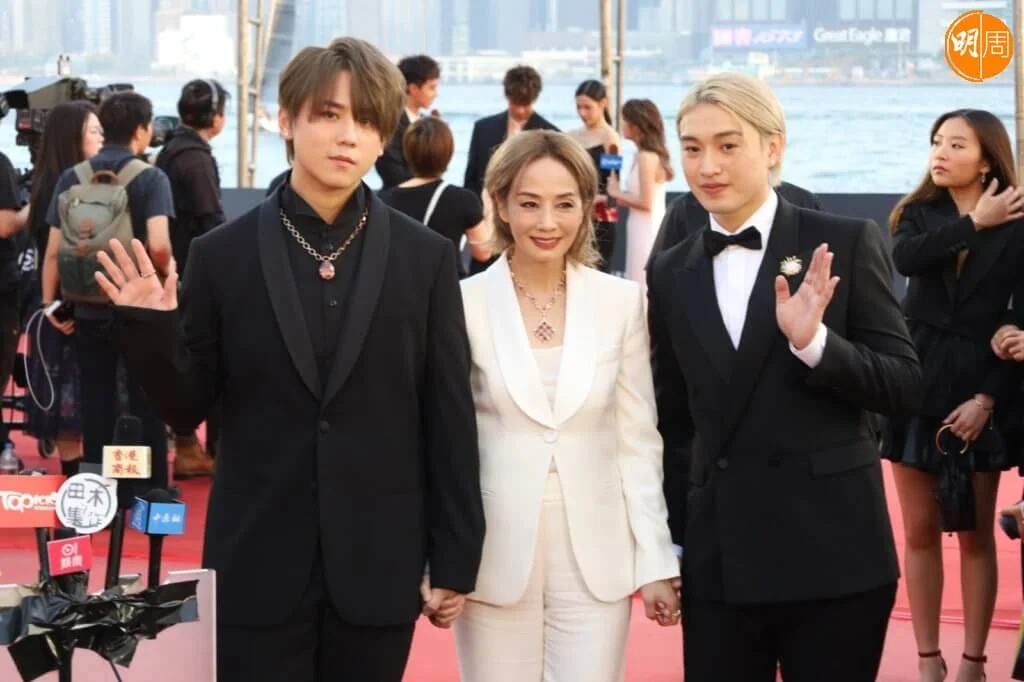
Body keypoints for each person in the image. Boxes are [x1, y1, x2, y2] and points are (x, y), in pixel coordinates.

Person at [93, 38, 485, 682]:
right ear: (286, 119)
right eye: (329, 114)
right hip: (256, 560)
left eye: (367, 121)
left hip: (379, 563)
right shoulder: (222, 255)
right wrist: (150, 328)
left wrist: (456, 557)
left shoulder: (426, 258)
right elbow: (188, 408)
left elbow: (449, 415)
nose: (348, 136)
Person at [647, 72, 922, 681]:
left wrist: (815, 344)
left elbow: (904, 386)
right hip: (720, 560)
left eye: (727, 145)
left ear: (773, 147)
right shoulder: (669, 270)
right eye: (692, 148)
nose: (707, 166)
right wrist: (668, 547)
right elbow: (674, 422)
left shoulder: (843, 241)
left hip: (833, 554)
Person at [454, 129, 680, 681]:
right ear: (501, 203)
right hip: (490, 558)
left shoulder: (619, 302)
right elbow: (443, 444)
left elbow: (637, 441)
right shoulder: (462, 303)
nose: (547, 222)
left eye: (564, 204)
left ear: (587, 205)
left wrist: (655, 559)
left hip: (597, 559)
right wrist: (438, 561)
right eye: (529, 203)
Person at [886, 109, 1024, 682]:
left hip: (983, 381)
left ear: (987, 158)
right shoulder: (917, 214)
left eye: (956, 144)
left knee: (975, 534)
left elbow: (1020, 317)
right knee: (919, 531)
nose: (940, 153)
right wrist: (973, 224)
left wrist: (987, 399)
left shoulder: (1018, 220)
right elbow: (906, 259)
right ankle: (927, 659)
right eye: (937, 142)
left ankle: (973, 661)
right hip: (915, 378)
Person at [42, 91, 175, 497]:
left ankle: (100, 493)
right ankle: (147, 489)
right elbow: (158, 245)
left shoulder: (73, 177)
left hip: (87, 307)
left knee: (96, 402)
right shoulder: (151, 178)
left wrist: (50, 304)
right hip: (139, 311)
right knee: (145, 399)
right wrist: (170, 277)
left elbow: (53, 252)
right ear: (142, 130)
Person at [24, 101, 104, 473]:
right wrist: (50, 303)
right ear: (73, 138)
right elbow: (52, 255)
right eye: (94, 131)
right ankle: (88, 487)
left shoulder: (47, 185)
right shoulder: (67, 188)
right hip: (66, 311)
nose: (101, 138)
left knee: (70, 409)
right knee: (75, 408)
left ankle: (81, 484)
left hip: (57, 308)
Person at [156, 78, 228, 475]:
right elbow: (210, 220)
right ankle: (209, 449)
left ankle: (187, 445)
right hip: (194, 273)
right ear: (215, 117)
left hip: (175, 270)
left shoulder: (170, 150)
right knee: (212, 357)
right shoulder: (196, 159)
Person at [464, 65, 558, 276]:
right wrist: (475, 220)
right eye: (516, 103)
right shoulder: (483, 128)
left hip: (528, 226)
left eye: (526, 104)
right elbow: (471, 179)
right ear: (507, 96)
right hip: (486, 225)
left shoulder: (550, 134)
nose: (521, 110)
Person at [378, 116, 490, 277]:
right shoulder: (463, 200)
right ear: (448, 154)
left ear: (407, 152)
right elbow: (483, 253)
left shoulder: (384, 200)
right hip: (448, 284)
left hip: (401, 287)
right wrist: (490, 209)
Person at [647, 180, 821, 269]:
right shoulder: (683, 209)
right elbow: (660, 280)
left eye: (729, 146)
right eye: (693, 149)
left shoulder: (804, 202)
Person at [606, 99, 670, 290]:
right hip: (638, 225)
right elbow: (637, 199)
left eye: (624, 120)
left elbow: (646, 202)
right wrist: (611, 197)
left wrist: (616, 192)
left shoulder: (646, 157)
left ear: (636, 125)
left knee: (643, 284)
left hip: (647, 229)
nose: (622, 125)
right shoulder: (640, 154)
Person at [566, 80, 620, 271]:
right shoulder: (570, 136)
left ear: (603, 103)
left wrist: (597, 200)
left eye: (588, 107)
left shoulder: (610, 139)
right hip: (573, 217)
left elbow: (614, 184)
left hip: (600, 220)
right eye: (579, 107)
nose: (582, 113)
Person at [375, 54, 440, 189]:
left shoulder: (426, 122)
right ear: (413, 88)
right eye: (431, 88)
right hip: (398, 196)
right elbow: (392, 173)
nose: (436, 94)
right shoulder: (392, 124)